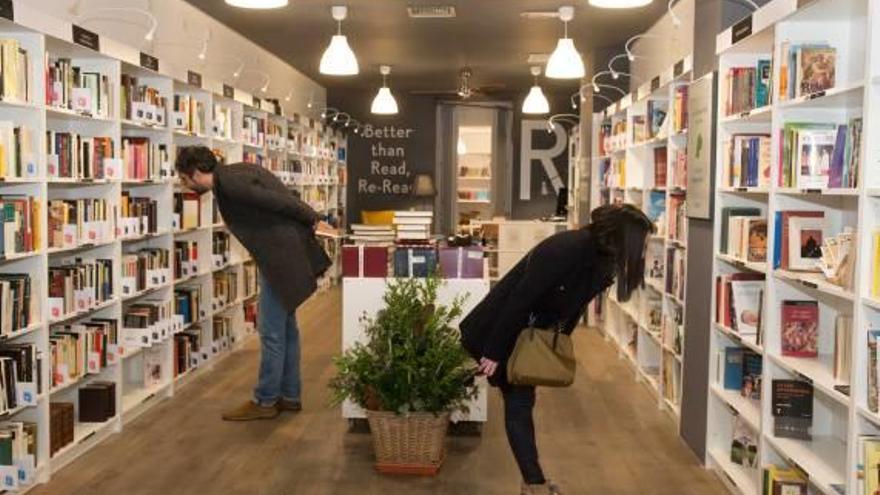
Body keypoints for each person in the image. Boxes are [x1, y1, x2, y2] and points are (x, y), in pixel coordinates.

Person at [460, 203, 654, 495]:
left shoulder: (600, 258)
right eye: (642, 242)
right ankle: (534, 484)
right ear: (623, 237)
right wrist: (494, 351)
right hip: (505, 331)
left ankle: (533, 482)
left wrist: (556, 344)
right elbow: (519, 299)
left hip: (529, 335)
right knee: (518, 405)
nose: (644, 249)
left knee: (520, 404)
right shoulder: (567, 249)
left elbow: (570, 306)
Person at [174, 146, 335, 421]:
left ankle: (266, 400)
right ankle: (290, 395)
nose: (183, 184)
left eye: (184, 178)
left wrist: (314, 219)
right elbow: (279, 197)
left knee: (272, 331)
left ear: (198, 172)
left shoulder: (231, 184)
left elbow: (280, 202)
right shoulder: (237, 173)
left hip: (280, 260)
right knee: (286, 329)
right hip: (283, 257)